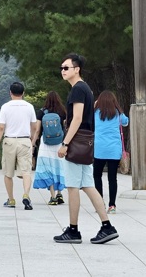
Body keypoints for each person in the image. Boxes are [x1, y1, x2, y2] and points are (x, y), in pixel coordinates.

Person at [54, 53, 119, 245]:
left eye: (66, 68)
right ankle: (107, 226)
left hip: (77, 143)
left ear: (76, 69)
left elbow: (77, 118)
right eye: (61, 68)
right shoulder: (87, 89)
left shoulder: (78, 90)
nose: (63, 71)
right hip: (87, 143)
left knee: (73, 187)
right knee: (88, 186)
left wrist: (65, 143)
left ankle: (73, 230)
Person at [0, 81, 38, 210]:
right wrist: (31, 138)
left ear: (10, 93)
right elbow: (34, 127)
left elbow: (1, 127)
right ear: (23, 93)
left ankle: (11, 199)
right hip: (25, 140)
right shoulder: (29, 107)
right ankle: (26, 195)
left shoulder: (5, 107)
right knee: (26, 171)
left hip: (9, 141)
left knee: (8, 172)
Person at [93, 90, 129, 213]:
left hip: (99, 149)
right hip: (114, 149)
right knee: (112, 178)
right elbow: (125, 122)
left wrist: (94, 104)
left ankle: (100, 203)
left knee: (97, 176)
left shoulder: (96, 112)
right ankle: (112, 205)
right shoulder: (118, 112)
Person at [33, 91, 67, 206]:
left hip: (46, 144)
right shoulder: (62, 111)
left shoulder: (41, 112)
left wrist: (33, 144)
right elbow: (65, 128)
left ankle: (52, 197)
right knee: (59, 167)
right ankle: (59, 194)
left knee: (48, 169)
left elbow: (37, 130)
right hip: (59, 144)